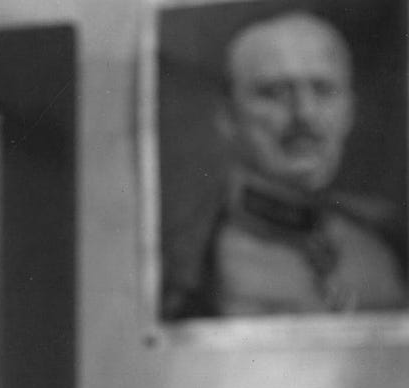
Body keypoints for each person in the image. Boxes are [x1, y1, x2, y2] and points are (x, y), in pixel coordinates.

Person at [164, 9, 407, 318]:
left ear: (349, 110)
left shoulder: (384, 247)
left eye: (323, 90)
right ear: (228, 117)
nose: (305, 114)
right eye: (274, 92)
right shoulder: (194, 267)